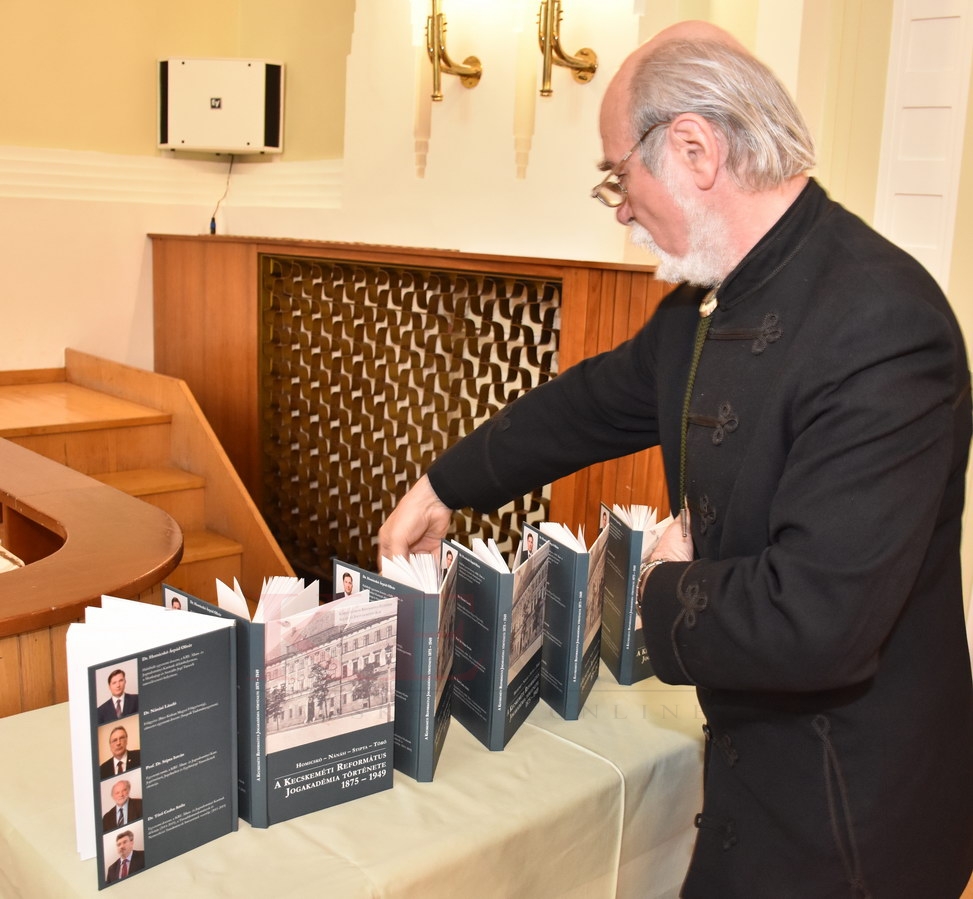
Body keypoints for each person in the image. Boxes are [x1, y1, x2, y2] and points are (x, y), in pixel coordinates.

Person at [379, 20, 973, 898]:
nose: (620, 207)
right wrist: (442, 484)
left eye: (618, 175)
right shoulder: (709, 298)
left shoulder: (884, 325)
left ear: (693, 149)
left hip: (852, 815)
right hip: (751, 774)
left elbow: (816, 623)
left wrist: (659, 584)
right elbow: (588, 404)